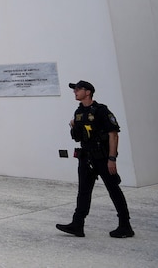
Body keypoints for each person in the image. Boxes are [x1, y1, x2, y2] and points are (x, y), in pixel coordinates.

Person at [56, 80, 133, 238]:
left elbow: (113, 134)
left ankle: (125, 226)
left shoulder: (101, 110)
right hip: (86, 157)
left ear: (88, 92)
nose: (75, 92)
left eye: (78, 89)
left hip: (103, 158)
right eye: (74, 89)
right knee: (83, 192)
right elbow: (78, 137)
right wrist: (73, 126)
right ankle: (77, 224)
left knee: (114, 190)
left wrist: (112, 158)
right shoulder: (78, 112)